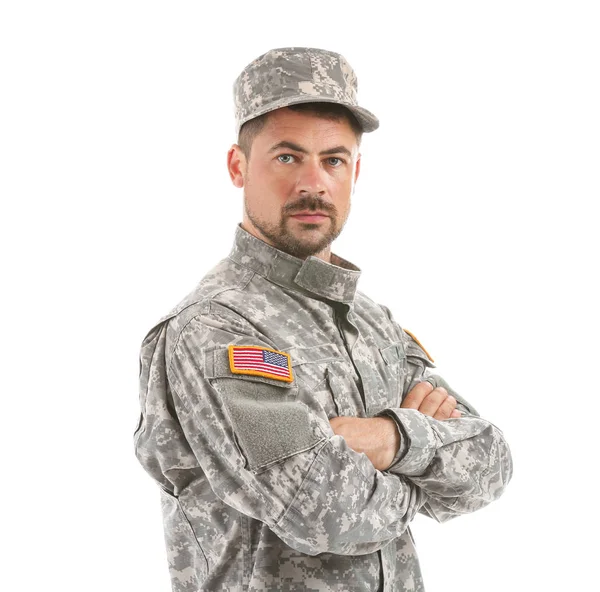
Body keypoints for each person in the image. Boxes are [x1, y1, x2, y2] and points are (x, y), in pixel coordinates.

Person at [134, 47, 513, 592]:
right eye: (287, 157)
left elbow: (490, 463)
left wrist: (390, 440)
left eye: (333, 159)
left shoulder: (374, 323)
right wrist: (426, 469)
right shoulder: (215, 329)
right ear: (238, 167)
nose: (313, 183)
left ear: (355, 171)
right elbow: (323, 510)